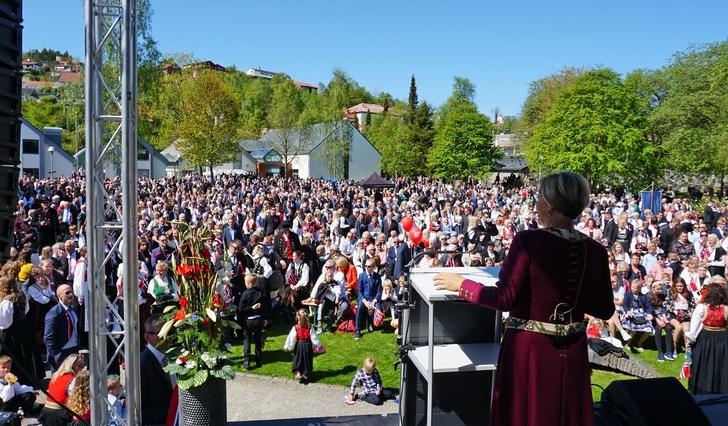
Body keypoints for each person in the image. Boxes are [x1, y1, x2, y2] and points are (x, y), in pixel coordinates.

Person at [433, 172, 614, 426]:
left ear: (550, 204)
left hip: (530, 352)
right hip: (572, 352)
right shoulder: (595, 250)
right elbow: (604, 309)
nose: (536, 203)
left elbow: (504, 298)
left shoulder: (529, 241)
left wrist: (463, 285)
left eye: (539, 197)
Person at [0, 275, 44, 385]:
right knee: (26, 353)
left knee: (13, 356)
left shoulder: (6, 301)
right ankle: (30, 378)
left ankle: (15, 380)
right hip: (23, 328)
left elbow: (5, 323)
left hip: (11, 333)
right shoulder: (22, 295)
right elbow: (26, 310)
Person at [686, 283, 728, 394]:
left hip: (705, 340)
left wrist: (690, 341)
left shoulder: (702, 307)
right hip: (723, 340)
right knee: (721, 366)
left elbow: (693, 329)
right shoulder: (726, 308)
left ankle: (702, 390)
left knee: (704, 365)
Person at [140, 314, 174, 425]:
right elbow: (139, 411)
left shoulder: (173, 356)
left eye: (169, 332)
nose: (167, 337)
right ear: (147, 336)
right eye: (161, 334)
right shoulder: (142, 364)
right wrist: (170, 414)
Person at [39, 353, 84, 426]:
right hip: (58, 414)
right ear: (72, 366)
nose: (82, 369)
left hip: (46, 412)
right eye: (80, 366)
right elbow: (75, 398)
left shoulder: (56, 375)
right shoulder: (72, 379)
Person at [43, 283, 81, 372]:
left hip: (73, 349)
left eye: (71, 292)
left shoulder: (72, 310)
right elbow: (48, 337)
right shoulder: (54, 312)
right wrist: (56, 355)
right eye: (67, 293)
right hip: (61, 352)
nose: (71, 295)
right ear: (59, 296)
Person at [283, 308, 320, 383]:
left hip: (299, 345)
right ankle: (306, 373)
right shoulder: (310, 327)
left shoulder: (296, 327)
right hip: (308, 346)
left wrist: (288, 346)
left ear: (298, 317)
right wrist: (318, 345)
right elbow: (314, 337)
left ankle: (298, 372)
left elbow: (291, 338)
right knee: (307, 360)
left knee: (298, 359)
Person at [238, 274, 264, 369]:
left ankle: (246, 360)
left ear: (248, 284)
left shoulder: (245, 294)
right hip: (258, 319)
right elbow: (264, 307)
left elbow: (241, 309)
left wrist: (250, 308)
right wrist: (264, 318)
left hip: (248, 320)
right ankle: (258, 358)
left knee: (247, 339)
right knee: (257, 339)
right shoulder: (260, 293)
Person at [622, 279, 655, 352]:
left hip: (641, 314)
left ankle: (639, 343)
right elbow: (625, 305)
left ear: (639, 288)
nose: (632, 289)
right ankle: (628, 343)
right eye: (632, 287)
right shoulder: (628, 294)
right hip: (631, 313)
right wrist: (628, 311)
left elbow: (649, 307)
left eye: (634, 288)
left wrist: (649, 313)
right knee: (633, 329)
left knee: (649, 330)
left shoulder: (643, 296)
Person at [354, 259, 383, 340]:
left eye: (369, 266)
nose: (367, 268)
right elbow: (359, 291)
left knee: (378, 309)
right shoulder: (362, 276)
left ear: (373, 267)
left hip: (373, 299)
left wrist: (374, 301)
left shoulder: (377, 277)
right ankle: (358, 331)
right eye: (366, 266)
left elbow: (379, 291)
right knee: (359, 309)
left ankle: (371, 323)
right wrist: (364, 301)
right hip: (364, 298)